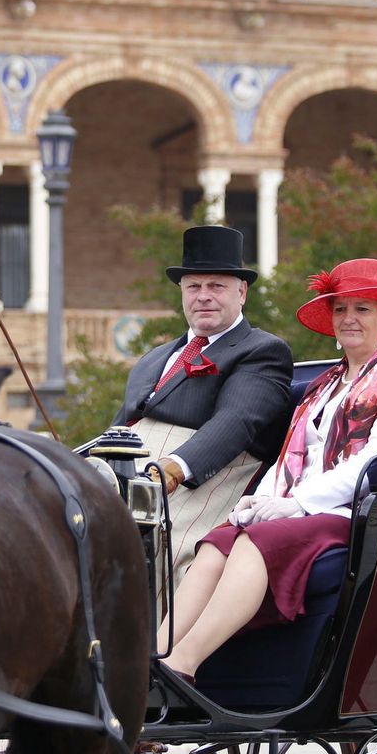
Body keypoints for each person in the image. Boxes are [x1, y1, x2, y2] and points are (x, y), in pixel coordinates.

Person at [160, 257, 377, 680]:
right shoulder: (325, 384)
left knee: (256, 541)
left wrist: (299, 505)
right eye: (341, 309)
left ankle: (183, 666)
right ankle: (156, 657)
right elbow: (294, 453)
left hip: (358, 512)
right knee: (218, 541)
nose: (348, 319)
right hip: (298, 509)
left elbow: (376, 458)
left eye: (362, 309)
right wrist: (262, 498)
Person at [113, 225, 294, 578]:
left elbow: (236, 421)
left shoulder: (261, 350)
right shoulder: (154, 358)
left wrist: (172, 469)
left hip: (196, 482)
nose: (203, 296)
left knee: (141, 551)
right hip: (126, 475)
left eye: (217, 286)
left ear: (242, 292)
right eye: (194, 286)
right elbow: (119, 428)